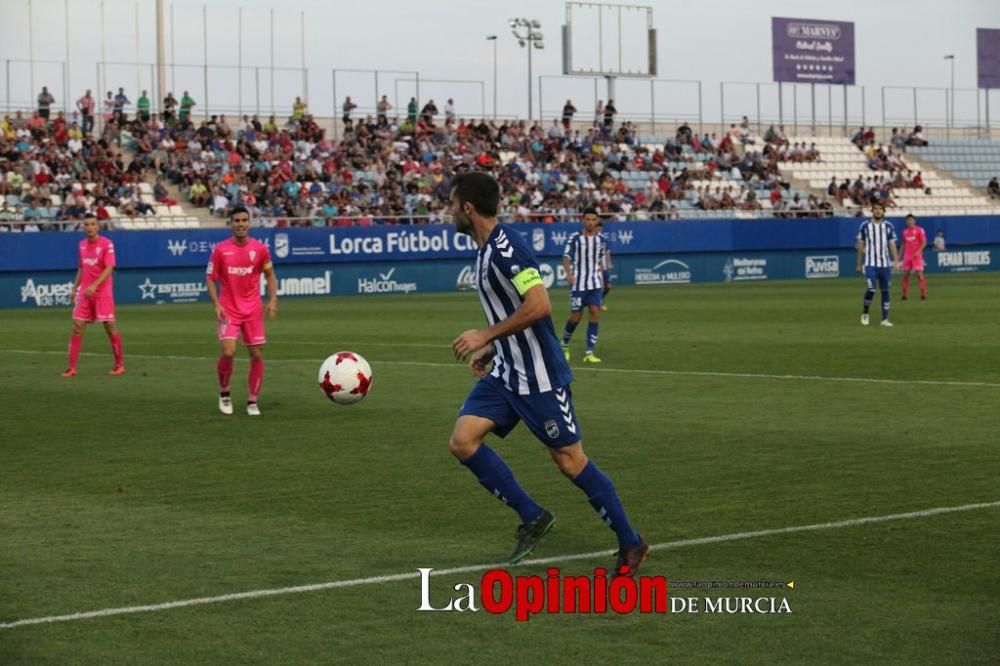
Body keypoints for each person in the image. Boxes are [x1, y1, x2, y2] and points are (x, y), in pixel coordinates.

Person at [447, 172, 648, 576]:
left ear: (467, 207)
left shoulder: (507, 248)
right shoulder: (485, 250)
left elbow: (539, 305)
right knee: (463, 442)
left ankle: (631, 542)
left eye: (451, 203)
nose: (448, 211)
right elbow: (514, 312)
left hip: (539, 377)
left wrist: (485, 333)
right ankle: (533, 516)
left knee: (570, 461)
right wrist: (493, 346)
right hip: (506, 371)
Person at [206, 206, 278, 416]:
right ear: (231, 223)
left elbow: (270, 275)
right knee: (228, 351)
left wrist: (273, 300)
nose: (240, 224)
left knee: (256, 354)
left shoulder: (260, 249)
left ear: (249, 222)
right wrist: (216, 304)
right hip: (228, 309)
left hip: (253, 310)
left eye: (244, 220)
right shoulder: (220, 250)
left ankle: (252, 401)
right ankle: (225, 394)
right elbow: (210, 279)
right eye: (236, 220)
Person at [62, 212, 125, 377]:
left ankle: (119, 365)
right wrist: (74, 288)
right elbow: (82, 268)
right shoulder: (81, 244)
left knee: (109, 327)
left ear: (98, 226)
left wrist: (95, 285)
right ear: (83, 227)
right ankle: (72, 367)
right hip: (85, 292)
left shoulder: (107, 244)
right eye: (86, 224)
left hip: (102, 292)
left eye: (92, 224)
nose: (89, 227)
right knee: (77, 326)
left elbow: (109, 268)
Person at [560, 208, 607, 363]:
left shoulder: (601, 240)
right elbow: (566, 257)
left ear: (597, 221)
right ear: (583, 220)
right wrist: (569, 274)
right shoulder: (575, 238)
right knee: (575, 318)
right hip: (579, 283)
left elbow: (599, 259)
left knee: (594, 312)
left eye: (593, 220)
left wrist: (600, 274)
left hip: (594, 282)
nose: (590, 222)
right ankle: (564, 345)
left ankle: (589, 352)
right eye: (588, 219)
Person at [856, 202, 900, 327]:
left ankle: (885, 319)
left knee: (885, 290)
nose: (878, 211)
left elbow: (892, 244)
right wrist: (859, 263)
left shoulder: (888, 226)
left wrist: (896, 260)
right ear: (872, 211)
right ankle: (865, 312)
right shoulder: (865, 225)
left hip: (885, 264)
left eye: (880, 209)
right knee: (871, 288)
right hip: (870, 263)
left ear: (884, 211)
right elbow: (860, 245)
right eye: (875, 209)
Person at [900, 214, 927, 300]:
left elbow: (924, 242)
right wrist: (899, 255)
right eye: (908, 220)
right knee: (905, 275)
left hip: (916, 256)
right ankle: (904, 295)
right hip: (907, 256)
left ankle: (923, 294)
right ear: (906, 222)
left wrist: (918, 251)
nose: (909, 221)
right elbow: (903, 244)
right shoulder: (904, 232)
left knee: (919, 275)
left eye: (911, 220)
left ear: (914, 221)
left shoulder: (919, 230)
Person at [596, 219, 612, 310]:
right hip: (596, 266)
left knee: (608, 286)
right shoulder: (592, 238)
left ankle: (599, 300)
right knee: (600, 286)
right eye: (598, 228)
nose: (599, 230)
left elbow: (607, 252)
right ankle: (599, 303)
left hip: (604, 265)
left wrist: (609, 263)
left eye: (601, 229)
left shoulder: (604, 239)